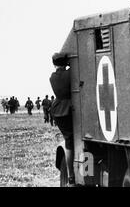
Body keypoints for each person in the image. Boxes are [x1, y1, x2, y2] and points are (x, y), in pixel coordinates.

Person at [50, 52, 74, 186]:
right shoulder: (70, 74)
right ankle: (71, 175)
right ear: (65, 63)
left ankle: (71, 176)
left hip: (58, 110)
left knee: (68, 141)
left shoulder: (52, 77)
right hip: (68, 109)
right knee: (71, 143)